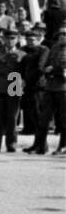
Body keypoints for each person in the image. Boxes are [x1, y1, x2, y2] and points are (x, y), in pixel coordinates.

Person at [38, 26, 66, 155]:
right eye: (60, 34)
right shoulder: (53, 49)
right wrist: (46, 70)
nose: (62, 36)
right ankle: (41, 145)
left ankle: (63, 146)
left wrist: (55, 70)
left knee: (63, 119)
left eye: (65, 34)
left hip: (63, 88)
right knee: (44, 117)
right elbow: (44, 65)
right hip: (50, 86)